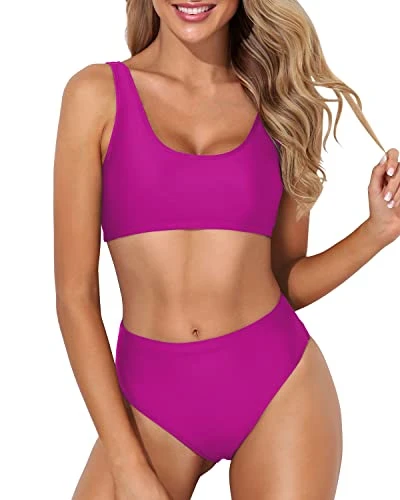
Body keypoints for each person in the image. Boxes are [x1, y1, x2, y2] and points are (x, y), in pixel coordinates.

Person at [53, 0, 400, 498]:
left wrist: (377, 232)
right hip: (151, 399)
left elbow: (284, 282)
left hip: (277, 387)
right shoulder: (95, 95)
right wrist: (127, 464)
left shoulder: (281, 106)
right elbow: (75, 297)